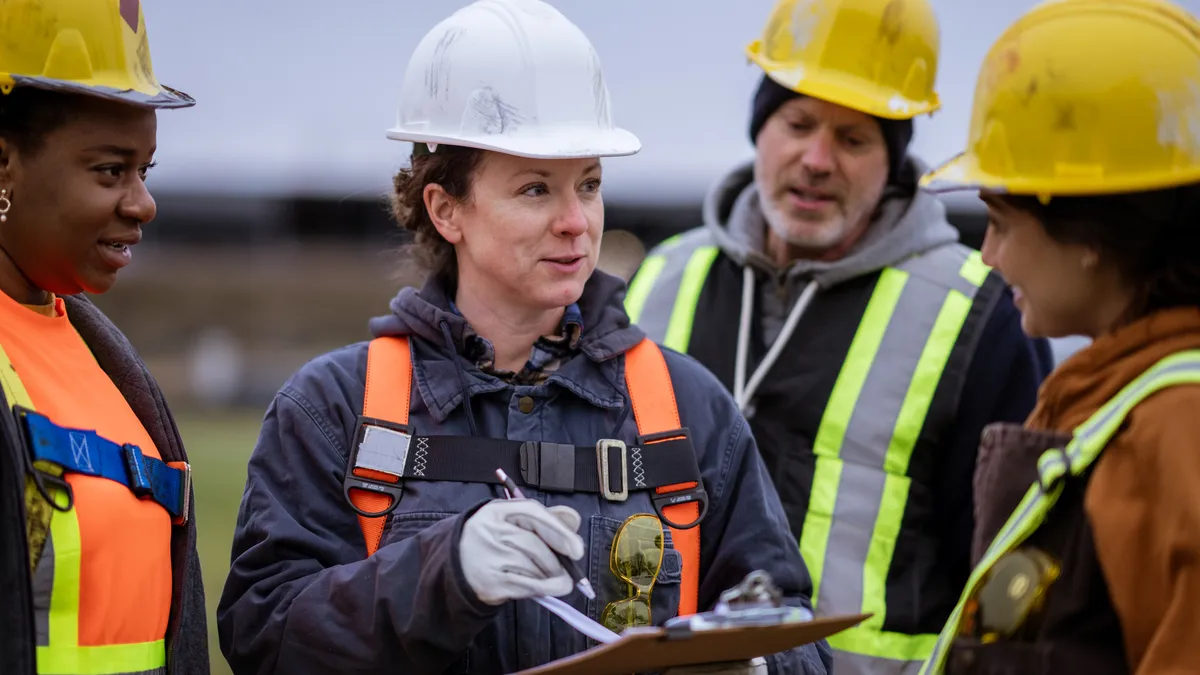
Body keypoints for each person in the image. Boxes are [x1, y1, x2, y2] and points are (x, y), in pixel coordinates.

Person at [215, 1, 832, 674]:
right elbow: (262, 636)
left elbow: (792, 625)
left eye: (589, 185)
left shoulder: (686, 408)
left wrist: (759, 664)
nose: (576, 221)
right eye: (536, 189)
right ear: (446, 208)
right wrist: (441, 574)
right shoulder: (336, 409)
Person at [624, 1, 1055, 673]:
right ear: (760, 129)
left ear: (893, 159)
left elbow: (1012, 581)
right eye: (797, 123)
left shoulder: (982, 315)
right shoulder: (659, 279)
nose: (817, 159)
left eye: (854, 139)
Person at [916, 0, 1200, 673]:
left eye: (1003, 223)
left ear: (1091, 233)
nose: (988, 254)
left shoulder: (1175, 423)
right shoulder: (1116, 397)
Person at [0, 1, 207, 674]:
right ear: (4, 165)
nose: (142, 203)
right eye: (110, 170)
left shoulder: (110, 364)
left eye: (146, 170)